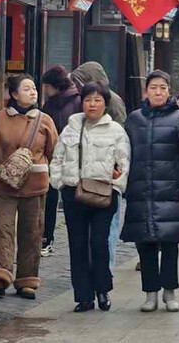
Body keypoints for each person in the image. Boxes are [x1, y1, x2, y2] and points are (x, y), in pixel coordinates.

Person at [122, 70, 179, 313]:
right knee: (145, 244)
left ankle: (170, 291)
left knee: (169, 243)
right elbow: (123, 154)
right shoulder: (134, 119)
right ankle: (150, 293)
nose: (158, 92)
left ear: (169, 92)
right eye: (153, 87)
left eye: (163, 88)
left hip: (171, 191)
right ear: (146, 91)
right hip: (141, 191)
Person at [48, 82, 130, 312]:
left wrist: (116, 186)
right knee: (78, 245)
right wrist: (58, 181)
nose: (92, 104)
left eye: (97, 100)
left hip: (104, 195)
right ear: (81, 102)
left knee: (99, 243)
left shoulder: (115, 130)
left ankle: (102, 289)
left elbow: (124, 162)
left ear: (105, 103)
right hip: (74, 193)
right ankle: (84, 296)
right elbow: (58, 156)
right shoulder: (72, 127)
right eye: (88, 100)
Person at [0, 74, 58, 299]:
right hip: (3, 183)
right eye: (27, 89)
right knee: (2, 229)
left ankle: (27, 279)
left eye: (34, 88)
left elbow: (53, 151)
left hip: (34, 185)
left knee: (32, 231)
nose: (33, 92)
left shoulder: (45, 121)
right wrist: (1, 167)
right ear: (14, 95)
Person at [71, 61, 128, 269]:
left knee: (106, 230)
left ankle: (106, 270)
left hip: (106, 175)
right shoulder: (84, 103)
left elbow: (121, 137)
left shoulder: (112, 101)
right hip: (86, 174)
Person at [40, 66, 81, 257]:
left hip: (72, 157)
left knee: (71, 198)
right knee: (50, 197)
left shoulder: (77, 102)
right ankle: (46, 238)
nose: (44, 90)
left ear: (53, 85)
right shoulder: (50, 104)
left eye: (46, 86)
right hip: (51, 157)